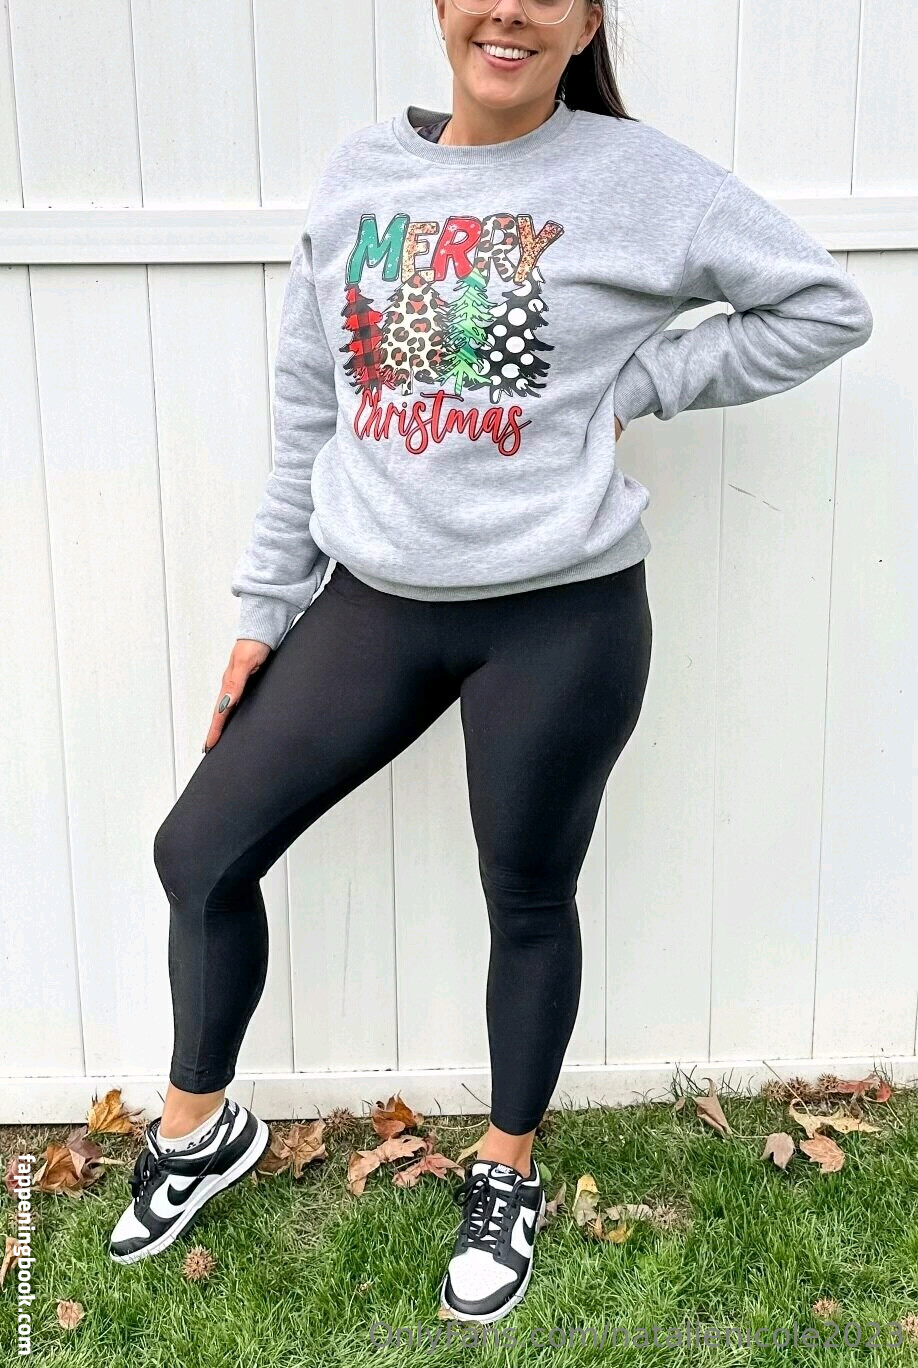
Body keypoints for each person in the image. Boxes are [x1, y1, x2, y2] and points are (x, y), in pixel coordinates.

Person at [109, 0, 873, 1325]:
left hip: (560, 616)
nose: (507, 9)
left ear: (584, 21)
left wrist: (641, 385)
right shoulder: (361, 178)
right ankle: (200, 1127)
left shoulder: (638, 179)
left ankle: (505, 1167)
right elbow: (309, 414)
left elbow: (821, 306)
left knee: (526, 896)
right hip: (375, 603)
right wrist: (263, 609)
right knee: (201, 854)